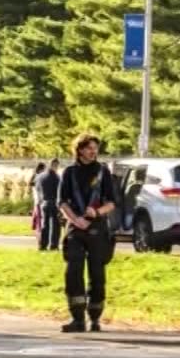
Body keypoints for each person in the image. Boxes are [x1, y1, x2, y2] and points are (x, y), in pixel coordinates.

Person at [57, 136, 121, 333]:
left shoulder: (103, 172)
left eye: (96, 148)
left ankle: (95, 317)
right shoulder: (69, 172)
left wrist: (97, 212)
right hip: (76, 229)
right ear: (80, 150)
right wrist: (76, 220)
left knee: (97, 274)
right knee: (73, 271)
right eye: (89, 148)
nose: (93, 151)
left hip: (98, 228)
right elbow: (62, 202)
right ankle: (77, 318)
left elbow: (112, 202)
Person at [36, 159, 63, 252]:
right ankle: (53, 245)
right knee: (55, 225)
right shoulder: (57, 177)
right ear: (55, 165)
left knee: (44, 225)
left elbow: (37, 189)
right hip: (54, 202)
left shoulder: (40, 176)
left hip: (44, 202)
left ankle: (43, 244)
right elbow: (60, 191)